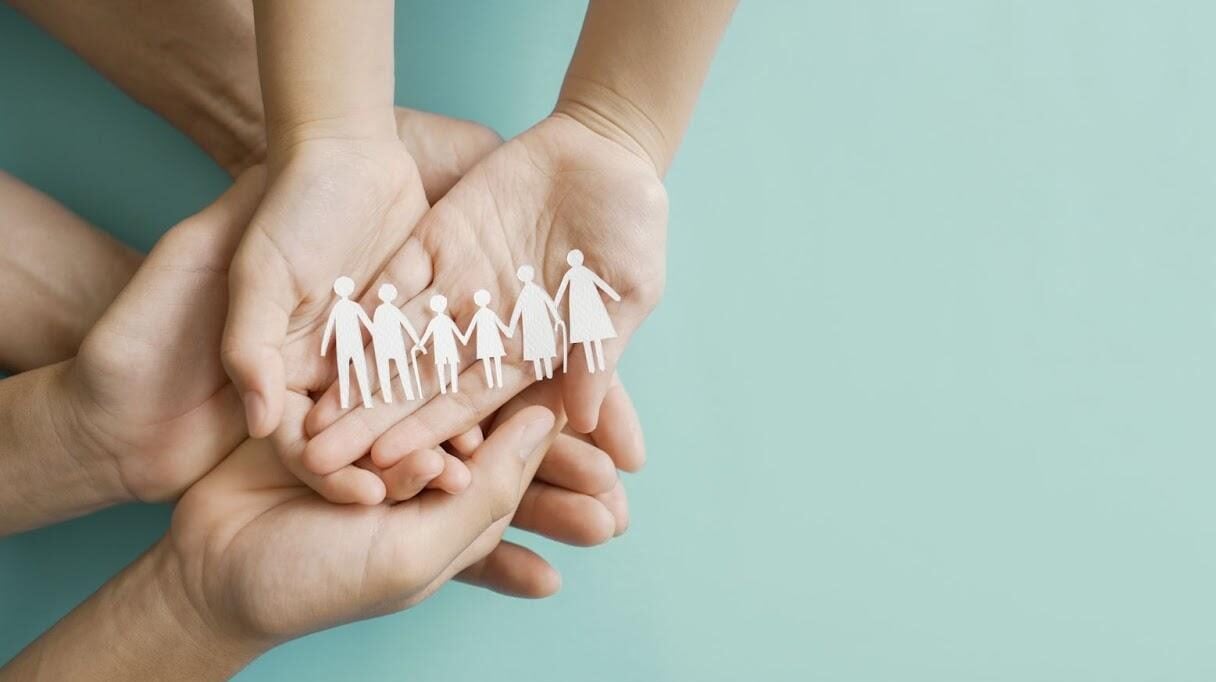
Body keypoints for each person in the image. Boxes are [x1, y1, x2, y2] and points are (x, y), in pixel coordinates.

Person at [555, 249, 622, 374]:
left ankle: (597, 364)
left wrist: (613, 294)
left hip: (590, 304)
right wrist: (554, 304)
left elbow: (600, 283)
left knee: (593, 334)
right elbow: (562, 289)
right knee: (587, 335)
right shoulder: (571, 273)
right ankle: (593, 365)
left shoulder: (581, 272)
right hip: (580, 306)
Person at [321, 276, 375, 410]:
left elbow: (367, 322)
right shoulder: (341, 307)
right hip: (344, 343)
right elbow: (329, 327)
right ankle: (347, 401)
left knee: (356, 370)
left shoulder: (348, 306)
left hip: (352, 342)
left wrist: (377, 334)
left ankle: (364, 399)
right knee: (348, 371)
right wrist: (323, 348)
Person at [509, 265, 565, 381]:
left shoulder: (530, 292)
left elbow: (549, 303)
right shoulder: (527, 293)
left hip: (540, 321)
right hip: (534, 323)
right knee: (539, 347)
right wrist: (511, 327)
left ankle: (544, 373)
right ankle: (543, 373)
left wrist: (557, 318)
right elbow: (517, 311)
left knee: (541, 346)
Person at [372, 283, 424, 403]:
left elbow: (407, 325)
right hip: (386, 345)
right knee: (389, 371)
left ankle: (404, 394)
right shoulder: (382, 310)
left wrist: (418, 342)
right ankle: (389, 396)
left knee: (398, 369)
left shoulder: (387, 310)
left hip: (392, 345)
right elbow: (375, 329)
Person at [415, 295, 468, 394]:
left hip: (446, 345)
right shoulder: (438, 321)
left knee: (447, 364)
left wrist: (420, 344)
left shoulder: (437, 321)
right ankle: (447, 387)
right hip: (443, 345)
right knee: (447, 364)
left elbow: (455, 331)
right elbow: (427, 334)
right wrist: (420, 344)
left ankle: (448, 387)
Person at [465, 289, 514, 389]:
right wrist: (507, 331)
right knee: (493, 360)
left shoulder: (481, 314)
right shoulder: (485, 313)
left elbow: (471, 328)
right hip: (488, 339)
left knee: (489, 360)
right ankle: (496, 381)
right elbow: (499, 324)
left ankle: (494, 382)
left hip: (489, 338)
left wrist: (465, 338)